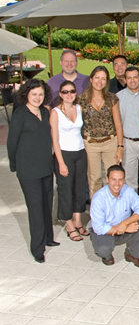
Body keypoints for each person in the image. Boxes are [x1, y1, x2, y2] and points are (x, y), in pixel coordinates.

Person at [7, 79, 58, 263]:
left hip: (45, 167)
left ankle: (48, 237)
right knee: (35, 208)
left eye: (40, 94)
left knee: (47, 204)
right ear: (26, 94)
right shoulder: (20, 114)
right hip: (28, 170)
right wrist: (15, 165)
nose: (37, 97)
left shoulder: (45, 112)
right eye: (34, 94)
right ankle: (37, 248)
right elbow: (11, 143)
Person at [90, 165, 139, 267]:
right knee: (103, 250)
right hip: (106, 231)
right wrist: (124, 228)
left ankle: (133, 254)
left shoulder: (128, 191)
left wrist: (124, 224)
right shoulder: (98, 198)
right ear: (107, 180)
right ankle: (107, 256)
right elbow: (98, 228)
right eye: (113, 179)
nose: (117, 184)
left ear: (124, 180)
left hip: (124, 226)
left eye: (120, 180)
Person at [50, 81, 88, 242]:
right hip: (64, 154)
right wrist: (61, 162)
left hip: (80, 152)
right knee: (65, 189)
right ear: (60, 94)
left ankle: (77, 220)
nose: (69, 94)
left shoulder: (79, 108)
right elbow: (54, 140)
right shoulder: (55, 112)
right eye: (65, 92)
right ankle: (69, 224)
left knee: (80, 188)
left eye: (71, 91)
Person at [78, 66, 123, 198]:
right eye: (97, 77)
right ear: (91, 79)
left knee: (114, 178)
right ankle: (97, 208)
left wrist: (120, 146)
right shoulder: (81, 100)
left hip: (110, 142)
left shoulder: (112, 99)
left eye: (103, 78)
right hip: (90, 144)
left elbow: (118, 124)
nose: (100, 81)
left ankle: (114, 206)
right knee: (95, 179)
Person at [116, 67, 139, 191]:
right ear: (125, 80)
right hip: (128, 143)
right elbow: (118, 122)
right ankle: (131, 202)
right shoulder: (119, 97)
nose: (132, 80)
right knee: (129, 180)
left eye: (135, 77)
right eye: (129, 78)